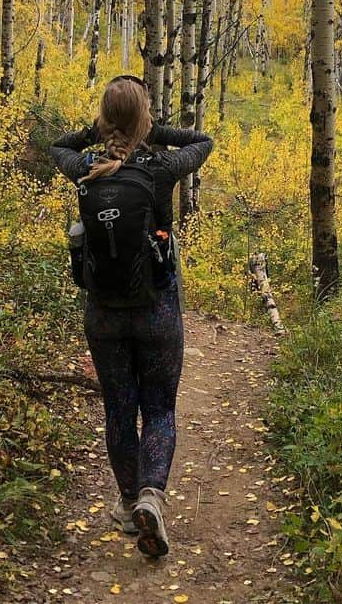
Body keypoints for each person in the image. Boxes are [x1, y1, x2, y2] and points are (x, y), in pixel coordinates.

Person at [50, 75, 213, 558]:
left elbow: (54, 144)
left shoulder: (83, 165)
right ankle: (151, 497)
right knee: (159, 408)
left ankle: (127, 503)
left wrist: (96, 132)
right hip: (157, 306)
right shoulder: (161, 166)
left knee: (119, 409)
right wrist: (151, 134)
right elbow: (203, 141)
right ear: (144, 118)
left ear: (104, 117)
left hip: (103, 312)